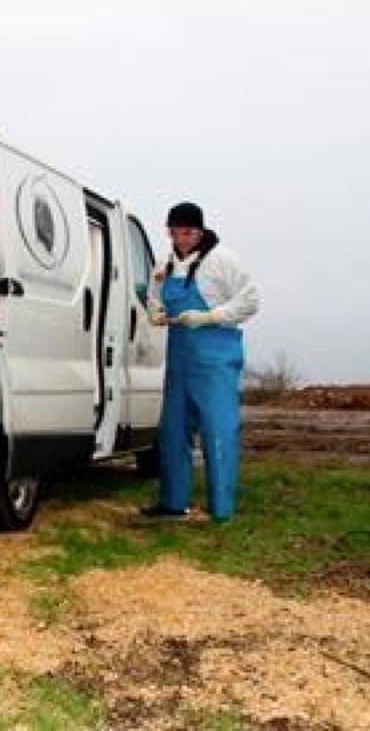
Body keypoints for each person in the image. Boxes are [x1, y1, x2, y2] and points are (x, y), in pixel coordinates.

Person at [141, 201, 259, 523]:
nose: (181, 239)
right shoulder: (164, 263)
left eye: (188, 232)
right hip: (179, 359)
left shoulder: (223, 261)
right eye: (175, 232)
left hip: (216, 359)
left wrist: (210, 316)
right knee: (173, 431)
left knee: (218, 431)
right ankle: (173, 504)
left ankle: (221, 510)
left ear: (201, 230)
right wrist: (153, 310)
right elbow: (152, 293)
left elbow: (251, 300)